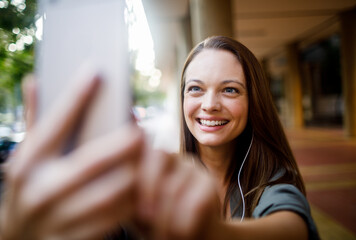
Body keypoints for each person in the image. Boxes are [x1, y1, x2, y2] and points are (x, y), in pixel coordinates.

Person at [0, 36, 319, 240]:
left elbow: (291, 229)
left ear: (254, 102)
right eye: (195, 88)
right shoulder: (155, 180)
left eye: (230, 89)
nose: (209, 104)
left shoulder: (275, 183)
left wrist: (208, 231)